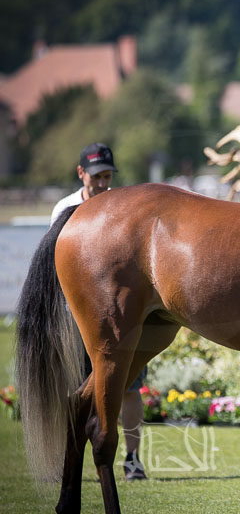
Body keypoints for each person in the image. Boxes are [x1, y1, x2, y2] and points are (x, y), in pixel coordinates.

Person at [51, 143, 149, 481]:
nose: (103, 183)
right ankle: (67, 460)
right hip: (77, 317)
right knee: (74, 388)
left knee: (131, 387)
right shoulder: (65, 209)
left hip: (119, 316)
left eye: (107, 176)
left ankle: (133, 459)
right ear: (81, 173)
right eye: (97, 177)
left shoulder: (119, 208)